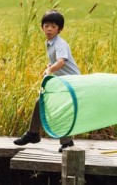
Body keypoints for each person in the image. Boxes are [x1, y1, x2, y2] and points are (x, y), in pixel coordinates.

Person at [13, 10, 81, 152]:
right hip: (62, 81)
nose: (49, 29)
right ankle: (33, 134)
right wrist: (50, 66)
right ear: (42, 27)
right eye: (46, 25)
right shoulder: (50, 42)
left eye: (53, 26)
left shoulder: (60, 43)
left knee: (61, 108)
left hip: (71, 82)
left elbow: (61, 62)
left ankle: (66, 142)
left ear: (60, 29)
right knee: (41, 101)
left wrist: (50, 70)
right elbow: (56, 61)